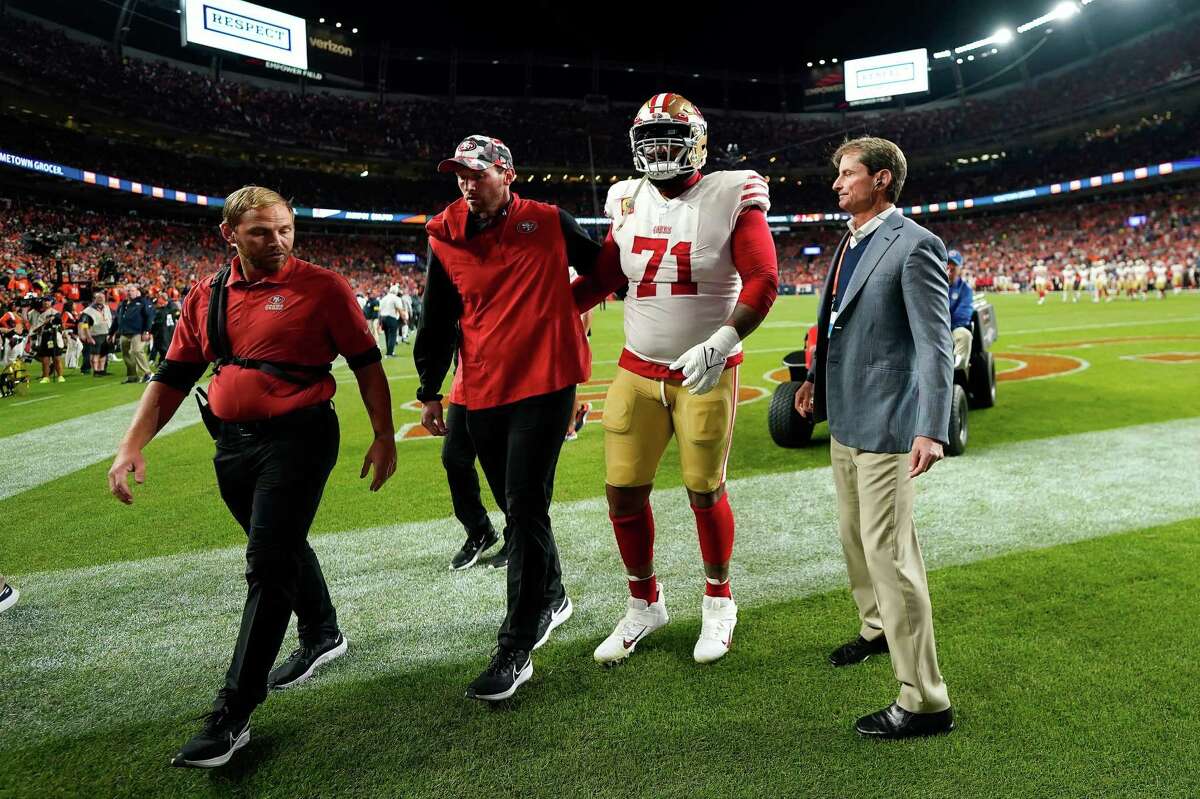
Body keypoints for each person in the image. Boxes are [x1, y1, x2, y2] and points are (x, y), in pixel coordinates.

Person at [107, 186, 397, 769]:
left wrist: (385, 436)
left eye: (285, 228)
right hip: (232, 444)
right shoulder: (206, 294)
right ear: (230, 235)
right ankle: (322, 631)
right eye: (262, 231)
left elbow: (367, 364)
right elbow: (172, 375)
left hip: (302, 437)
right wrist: (131, 444)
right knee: (279, 546)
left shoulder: (322, 286)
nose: (278, 241)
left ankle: (232, 713)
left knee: (267, 563)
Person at [570, 93, 779, 666]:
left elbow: (763, 279)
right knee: (622, 490)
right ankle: (644, 603)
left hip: (705, 372)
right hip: (638, 368)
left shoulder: (733, 192)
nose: (660, 150)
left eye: (671, 137)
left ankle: (718, 599)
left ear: (698, 142)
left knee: (703, 488)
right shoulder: (628, 198)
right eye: (650, 139)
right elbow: (606, 275)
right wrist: (547, 311)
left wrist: (720, 344)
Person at [414, 135, 596, 702]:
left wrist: (562, 315)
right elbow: (438, 315)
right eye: (459, 175)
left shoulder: (548, 221)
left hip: (544, 384)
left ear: (507, 174)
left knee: (523, 504)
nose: (467, 183)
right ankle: (554, 595)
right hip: (485, 388)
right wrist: (429, 388)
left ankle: (515, 646)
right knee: (517, 507)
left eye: (477, 173)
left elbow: (605, 270)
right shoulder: (443, 236)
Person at [795, 136, 955, 740]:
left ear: (881, 179)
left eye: (847, 174)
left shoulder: (916, 246)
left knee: (891, 555)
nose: (837, 183)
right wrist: (814, 383)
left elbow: (935, 344)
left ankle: (925, 700)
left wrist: (931, 428)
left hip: (890, 423)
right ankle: (875, 628)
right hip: (847, 417)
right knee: (854, 539)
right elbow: (834, 322)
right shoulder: (851, 239)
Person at [114, 284, 154, 383]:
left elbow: (149, 317)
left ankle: (148, 373)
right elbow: (116, 319)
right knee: (126, 354)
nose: (129, 293)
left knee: (137, 351)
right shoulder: (123, 304)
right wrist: (111, 333)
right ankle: (132, 376)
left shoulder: (143, 302)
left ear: (137, 291)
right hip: (124, 332)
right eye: (128, 291)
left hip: (138, 332)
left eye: (132, 291)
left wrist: (147, 331)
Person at [27, 296, 66, 384]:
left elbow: (60, 322)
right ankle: (46, 377)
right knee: (45, 359)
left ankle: (60, 376)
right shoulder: (36, 314)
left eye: (48, 301)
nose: (46, 303)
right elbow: (35, 329)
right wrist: (44, 323)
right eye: (44, 301)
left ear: (51, 303)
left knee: (57, 357)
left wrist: (54, 320)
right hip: (43, 336)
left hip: (54, 335)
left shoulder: (55, 312)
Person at [947, 250, 974, 370]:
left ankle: (957, 372)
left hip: (952, 329)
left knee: (964, 335)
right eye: (948, 263)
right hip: (933, 329)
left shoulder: (965, 289)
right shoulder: (932, 285)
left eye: (954, 264)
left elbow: (962, 316)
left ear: (959, 268)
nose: (950, 266)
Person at [78, 291, 113, 376]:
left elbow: (110, 319)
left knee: (104, 354)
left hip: (106, 333)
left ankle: (102, 370)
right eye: (99, 298)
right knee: (95, 354)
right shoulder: (88, 311)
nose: (101, 299)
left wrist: (111, 333)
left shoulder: (106, 307)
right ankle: (96, 371)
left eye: (102, 298)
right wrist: (88, 337)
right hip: (95, 334)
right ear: (94, 299)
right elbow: (84, 325)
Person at [379, 284, 403, 356]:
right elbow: (399, 309)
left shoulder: (384, 298)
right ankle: (390, 353)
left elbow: (380, 310)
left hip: (383, 317)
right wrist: (403, 318)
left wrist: (380, 321)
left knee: (387, 335)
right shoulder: (396, 298)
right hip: (391, 317)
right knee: (392, 335)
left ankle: (388, 352)